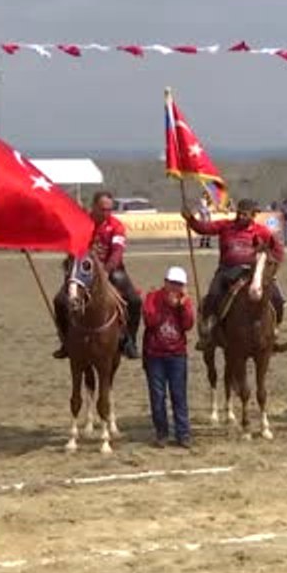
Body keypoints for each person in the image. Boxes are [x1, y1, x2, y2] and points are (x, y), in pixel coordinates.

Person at [182, 198, 287, 353]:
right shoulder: (226, 225)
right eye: (240, 213)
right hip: (227, 270)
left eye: (245, 214)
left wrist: (271, 266)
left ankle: (274, 331)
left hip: (253, 272)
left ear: (253, 215)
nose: (241, 217)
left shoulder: (261, 231)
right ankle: (209, 332)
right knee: (212, 295)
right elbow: (204, 228)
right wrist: (190, 219)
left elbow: (277, 250)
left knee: (277, 298)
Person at [53, 191, 143, 360]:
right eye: (102, 209)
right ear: (93, 207)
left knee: (135, 301)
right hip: (83, 270)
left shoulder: (116, 226)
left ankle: (130, 341)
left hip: (112, 271)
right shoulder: (82, 223)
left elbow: (117, 252)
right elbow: (73, 246)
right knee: (60, 301)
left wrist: (105, 272)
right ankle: (66, 342)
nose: (106, 213)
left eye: (109, 209)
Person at [142, 266, 194, 449]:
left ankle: (183, 434)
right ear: (165, 282)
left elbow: (188, 324)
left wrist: (182, 307)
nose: (175, 287)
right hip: (155, 355)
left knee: (179, 395)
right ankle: (162, 433)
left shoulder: (185, 301)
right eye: (172, 283)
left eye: (179, 284)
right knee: (157, 397)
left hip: (177, 355)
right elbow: (150, 321)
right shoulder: (153, 297)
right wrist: (166, 306)